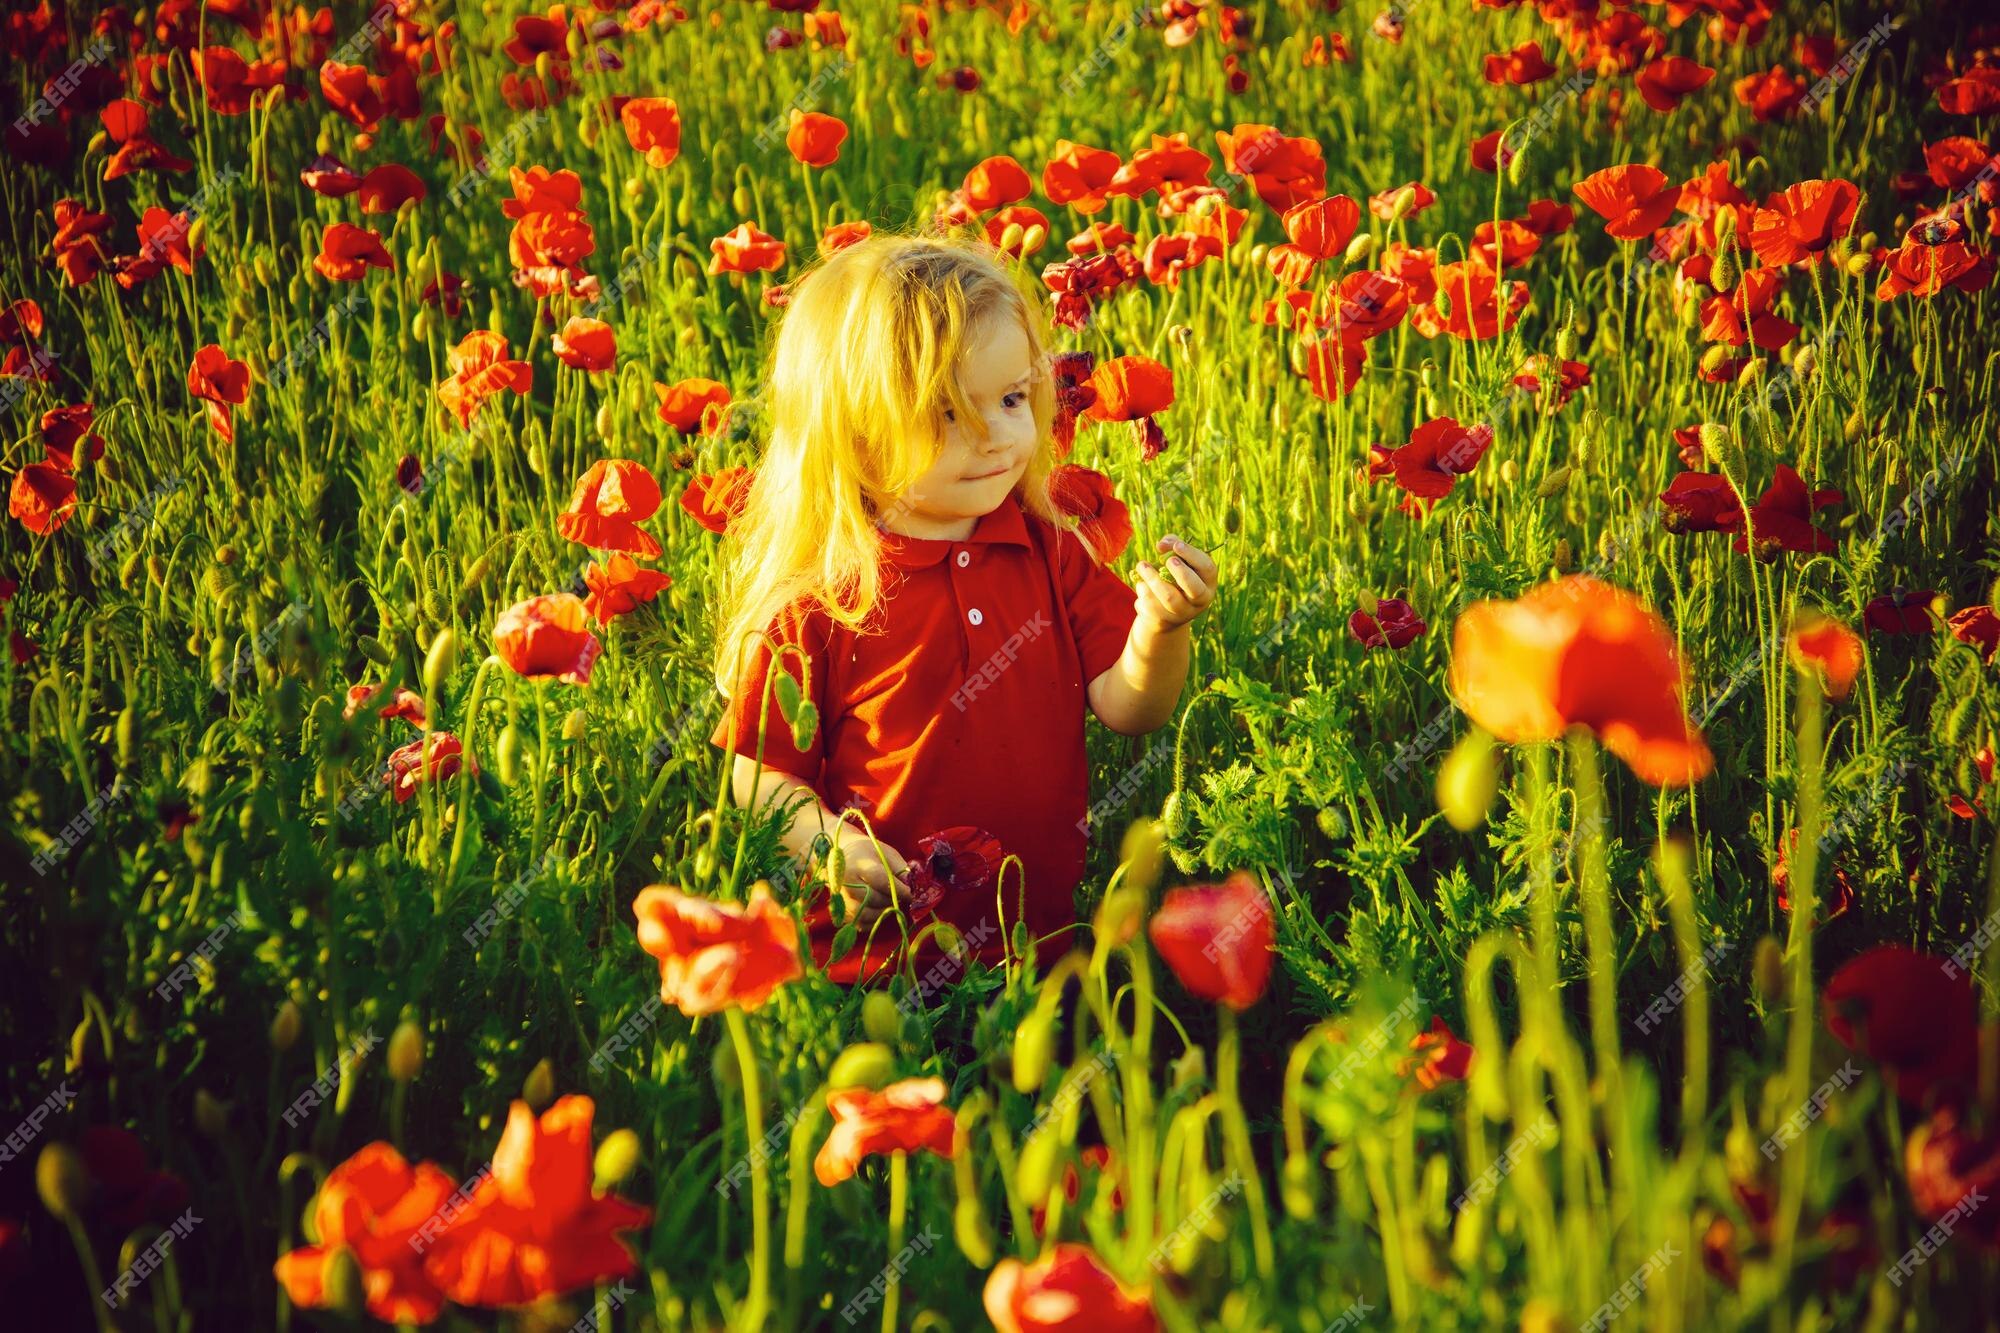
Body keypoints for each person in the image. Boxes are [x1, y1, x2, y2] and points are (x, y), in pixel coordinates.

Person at [708, 231, 1218, 983]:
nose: (999, 435)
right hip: (881, 959)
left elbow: (1129, 706)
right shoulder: (824, 604)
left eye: (1013, 398)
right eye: (949, 413)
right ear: (857, 434)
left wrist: (1160, 629)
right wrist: (829, 842)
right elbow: (753, 774)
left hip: (1039, 945)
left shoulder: (1049, 552)